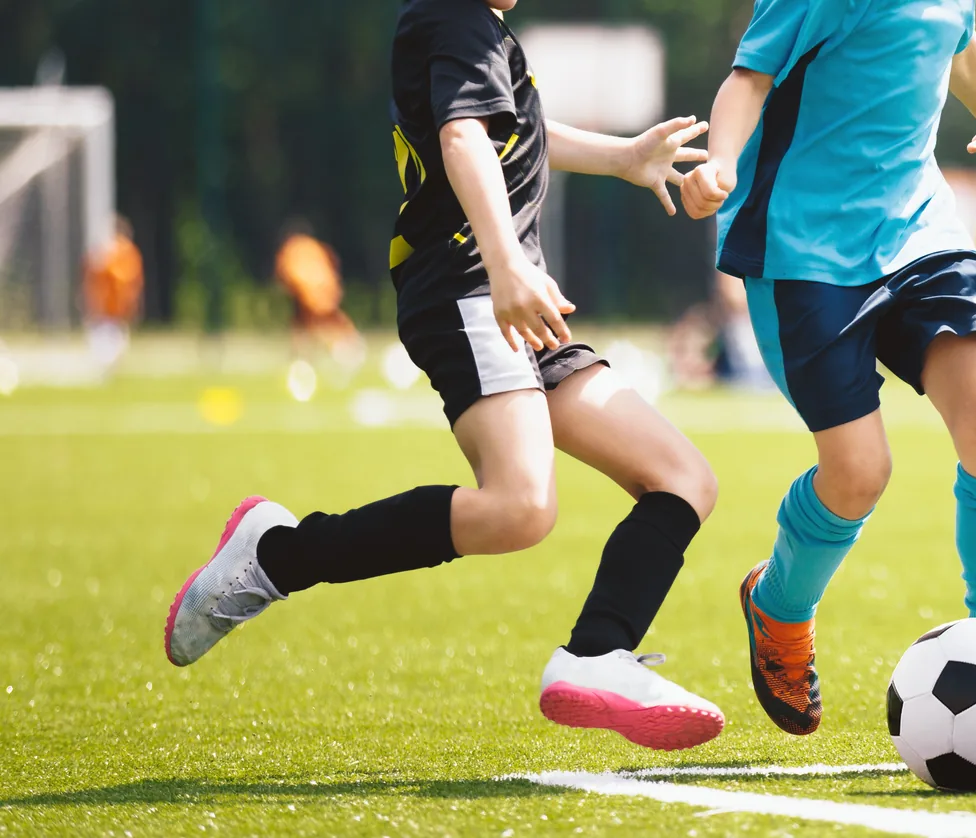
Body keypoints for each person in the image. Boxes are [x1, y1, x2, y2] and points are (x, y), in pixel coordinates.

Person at [164, 0, 725, 752]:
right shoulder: (458, 17)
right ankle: (279, 555)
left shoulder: (470, 26)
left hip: (509, 296)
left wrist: (622, 157)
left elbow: (504, 132)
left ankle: (597, 655)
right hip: (473, 287)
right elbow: (463, 138)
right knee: (520, 507)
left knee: (682, 478)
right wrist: (506, 263)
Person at [680, 0, 976, 758]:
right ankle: (778, 604)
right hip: (804, 248)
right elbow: (749, 78)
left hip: (920, 233)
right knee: (859, 473)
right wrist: (721, 161)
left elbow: (960, 43)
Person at [274, 221, 363, 364]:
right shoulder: (315, 246)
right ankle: (350, 343)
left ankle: (332, 350)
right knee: (332, 319)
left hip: (307, 292)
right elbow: (333, 261)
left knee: (310, 324)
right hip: (327, 288)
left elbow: (286, 273)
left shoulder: (290, 249)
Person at [82, 216, 143, 370]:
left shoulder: (120, 251)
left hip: (110, 305)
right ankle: (106, 366)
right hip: (110, 306)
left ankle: (106, 366)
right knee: (109, 339)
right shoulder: (121, 251)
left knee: (110, 339)